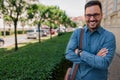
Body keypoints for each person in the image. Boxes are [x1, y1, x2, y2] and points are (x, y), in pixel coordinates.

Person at [65, 0, 116, 80]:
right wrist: (95, 58)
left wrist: (80, 53)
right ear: (85, 16)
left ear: (102, 15)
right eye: (88, 15)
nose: (92, 19)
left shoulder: (109, 37)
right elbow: (68, 54)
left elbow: (104, 63)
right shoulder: (77, 33)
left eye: (96, 15)